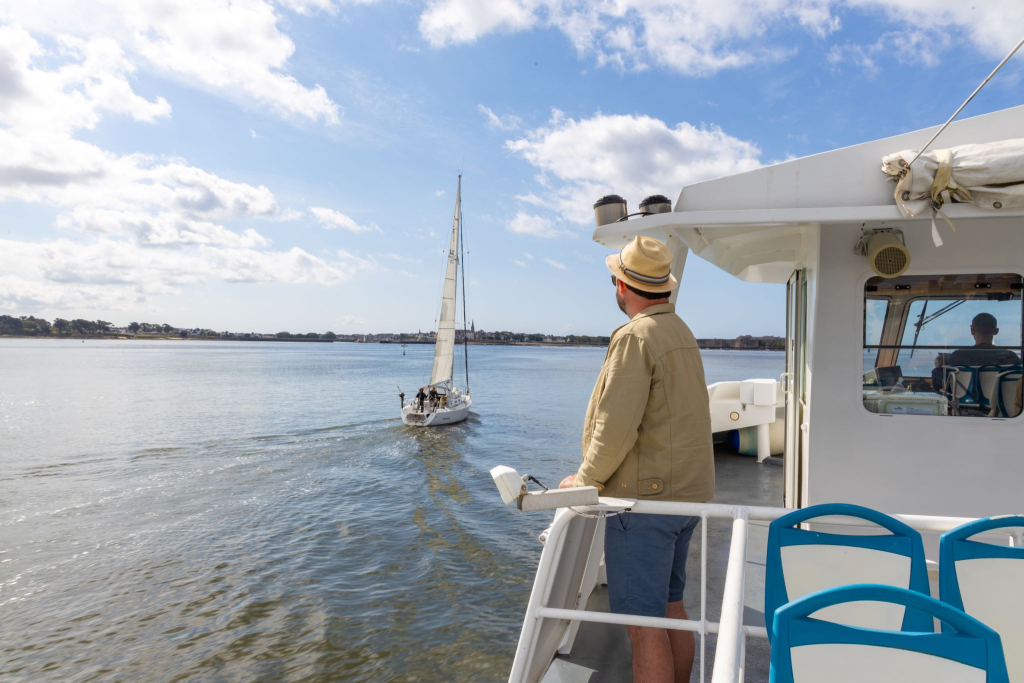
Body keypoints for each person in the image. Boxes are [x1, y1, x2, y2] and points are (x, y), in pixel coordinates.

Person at [558, 236, 715, 683]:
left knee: (643, 625)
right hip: (686, 499)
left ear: (623, 286)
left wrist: (585, 480)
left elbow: (615, 428)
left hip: (645, 505)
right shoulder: (680, 331)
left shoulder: (635, 336)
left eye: (614, 279)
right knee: (670, 608)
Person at [932, 313, 1021, 393]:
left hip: (962, 406)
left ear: (972, 331)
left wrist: (939, 367)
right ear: (996, 331)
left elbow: (939, 386)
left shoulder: (957, 356)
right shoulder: (1010, 357)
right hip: (1000, 407)